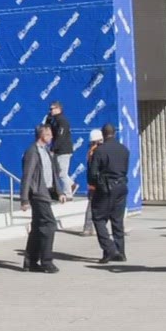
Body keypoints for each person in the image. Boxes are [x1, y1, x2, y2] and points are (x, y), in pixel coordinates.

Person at [20, 122, 65, 273]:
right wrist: (24, 199)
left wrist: (60, 192)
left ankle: (30, 261)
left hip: (46, 192)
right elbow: (27, 176)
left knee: (38, 228)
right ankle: (46, 261)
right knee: (49, 224)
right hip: (38, 194)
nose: (52, 137)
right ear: (42, 135)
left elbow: (52, 174)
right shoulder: (32, 152)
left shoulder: (46, 151)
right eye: (49, 134)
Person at [86, 123, 131, 264]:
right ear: (115, 133)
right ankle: (120, 252)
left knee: (99, 218)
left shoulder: (99, 151)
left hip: (105, 188)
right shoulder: (124, 149)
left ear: (103, 135)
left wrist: (96, 186)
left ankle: (110, 249)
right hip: (121, 186)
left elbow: (93, 174)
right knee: (117, 221)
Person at [46, 101, 76, 197]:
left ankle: (68, 194)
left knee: (62, 174)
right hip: (58, 150)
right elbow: (47, 128)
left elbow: (61, 136)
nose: (50, 111)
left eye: (52, 109)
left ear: (58, 109)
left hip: (64, 150)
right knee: (58, 173)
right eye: (50, 109)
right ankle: (72, 185)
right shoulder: (54, 119)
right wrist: (48, 120)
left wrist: (53, 149)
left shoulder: (62, 120)